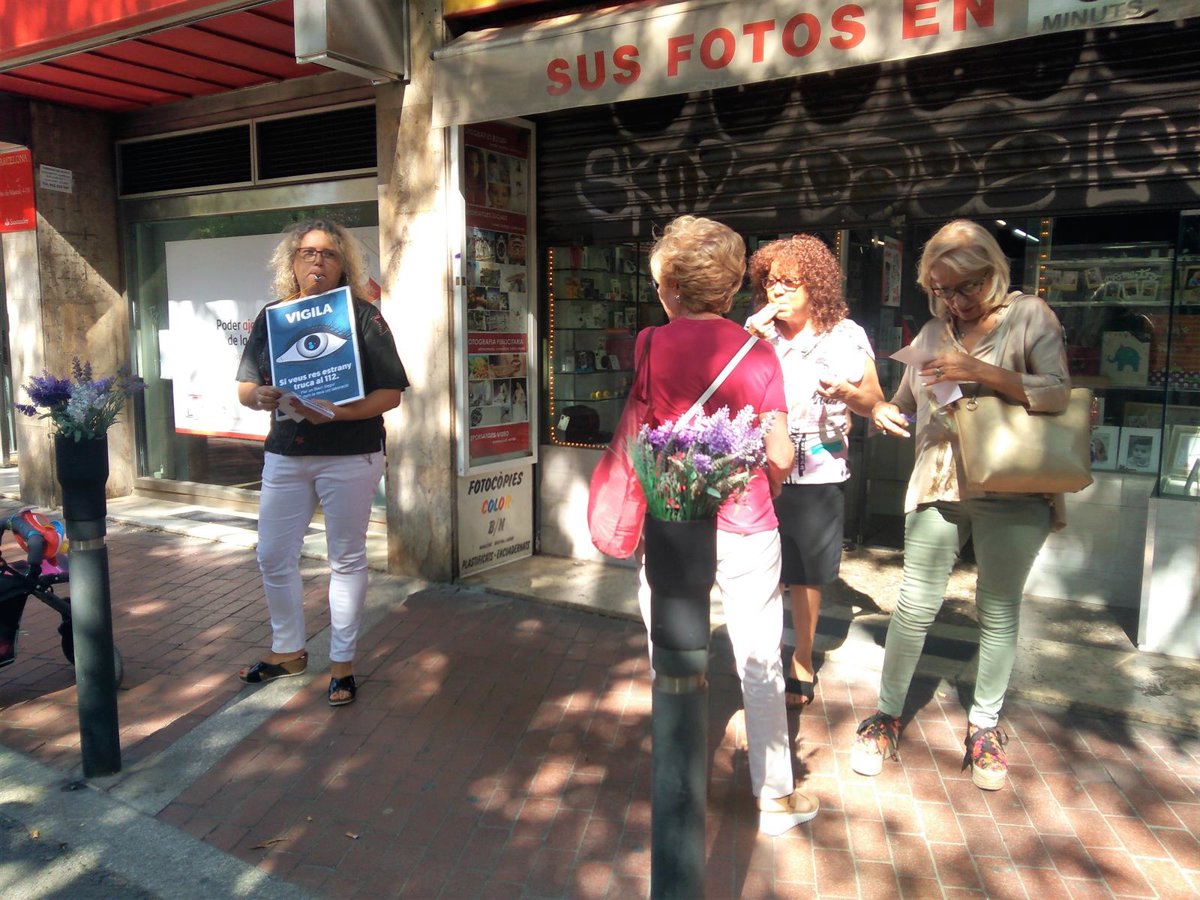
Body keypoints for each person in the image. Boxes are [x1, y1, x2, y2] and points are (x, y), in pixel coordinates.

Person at [854, 219, 1070, 790]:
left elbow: (1056, 391)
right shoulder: (933, 331)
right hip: (937, 484)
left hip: (1014, 486)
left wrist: (978, 370)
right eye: (942, 290)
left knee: (997, 611)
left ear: (992, 271)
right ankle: (886, 716)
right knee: (913, 606)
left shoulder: (1031, 317)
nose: (956, 301)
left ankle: (984, 727)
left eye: (966, 286)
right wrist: (878, 408)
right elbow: (905, 401)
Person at [636, 214, 818, 834]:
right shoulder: (759, 353)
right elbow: (781, 452)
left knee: (668, 654)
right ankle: (774, 797)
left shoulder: (650, 344)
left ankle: (676, 783)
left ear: (672, 287)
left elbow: (644, 430)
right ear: (732, 286)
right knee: (759, 657)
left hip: (672, 518)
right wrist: (767, 478)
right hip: (747, 521)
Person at [235, 219, 409, 707]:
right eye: (308, 253)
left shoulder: (363, 316)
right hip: (286, 454)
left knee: (346, 558)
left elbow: (391, 393)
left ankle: (342, 664)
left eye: (329, 253)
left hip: (350, 454)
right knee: (273, 555)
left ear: (343, 264)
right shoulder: (273, 317)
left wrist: (338, 413)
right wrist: (258, 396)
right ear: (291, 262)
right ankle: (287, 651)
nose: (318, 261)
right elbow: (245, 386)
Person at [745, 235, 885, 708]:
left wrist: (847, 392)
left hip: (818, 468)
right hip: (760, 465)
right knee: (760, 567)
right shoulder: (754, 333)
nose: (777, 291)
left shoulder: (845, 335)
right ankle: (762, 655)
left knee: (806, 571)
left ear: (816, 286)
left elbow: (874, 402)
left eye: (790, 283)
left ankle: (801, 657)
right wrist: (747, 343)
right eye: (771, 282)